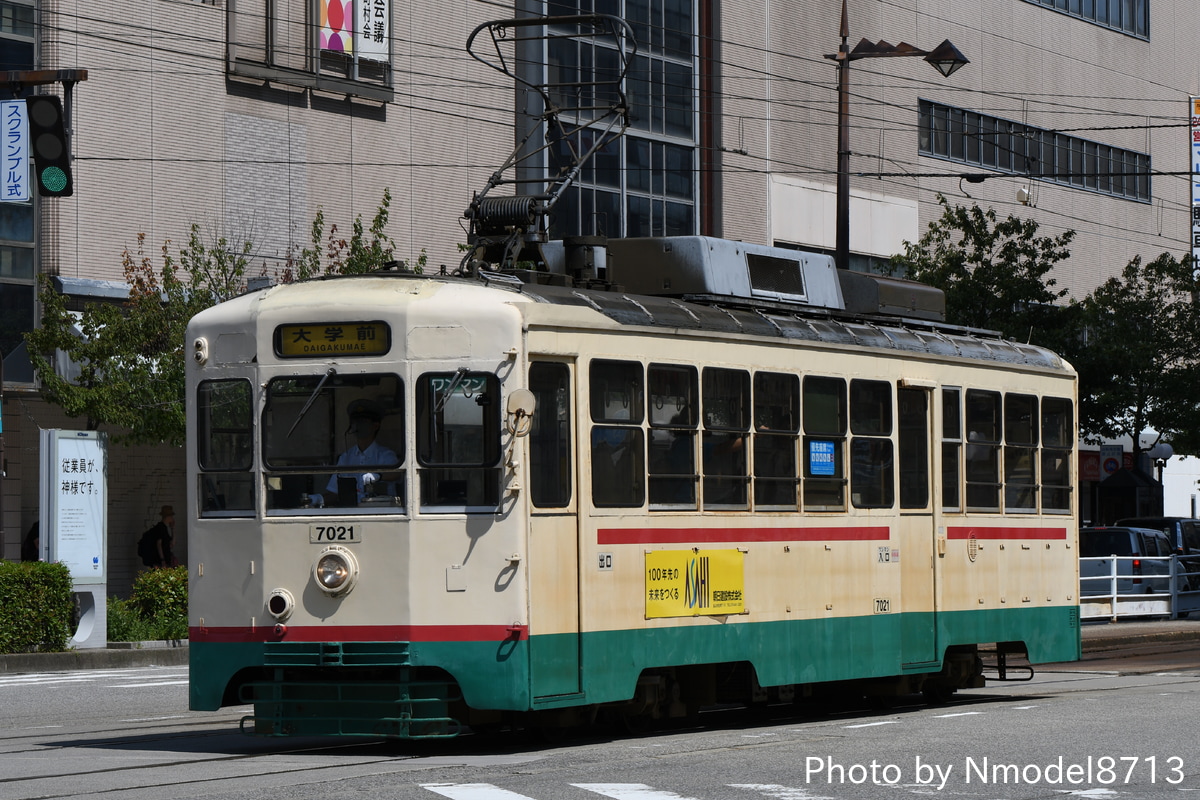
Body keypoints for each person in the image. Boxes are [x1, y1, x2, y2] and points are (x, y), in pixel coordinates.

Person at [310, 399, 399, 507]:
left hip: (379, 511)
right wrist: (317, 499)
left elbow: (396, 473)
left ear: (375, 425)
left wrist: (379, 476)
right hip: (353, 512)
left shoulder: (385, 455)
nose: (357, 426)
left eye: (363, 422)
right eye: (355, 422)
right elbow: (335, 492)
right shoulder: (346, 457)